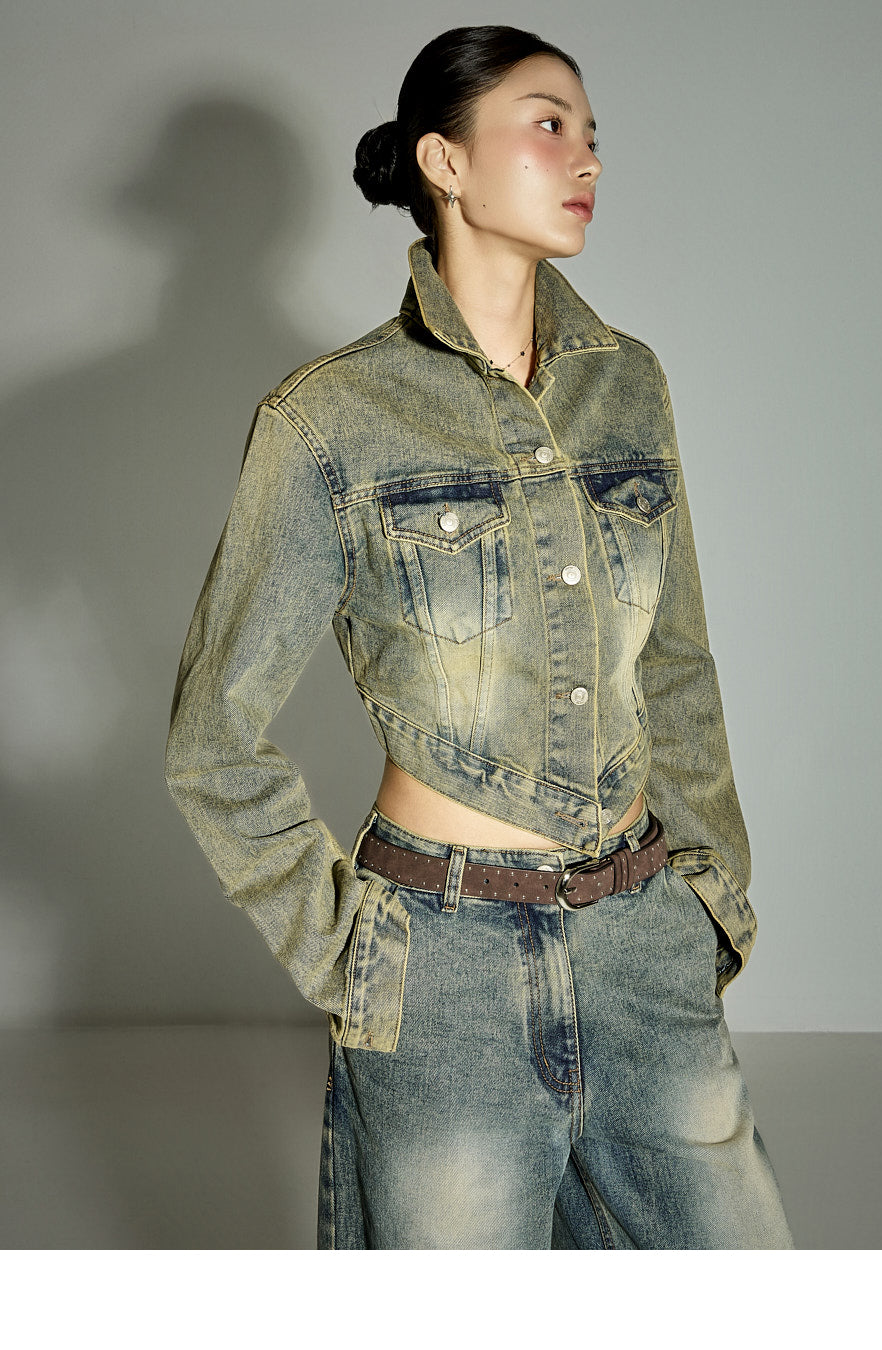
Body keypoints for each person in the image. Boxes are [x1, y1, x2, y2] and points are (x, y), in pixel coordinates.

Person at [165, 23, 794, 1250]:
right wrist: (348, 955)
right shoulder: (328, 418)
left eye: (592, 135)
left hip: (642, 940)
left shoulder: (629, 383)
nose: (587, 158)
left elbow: (674, 663)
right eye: (548, 124)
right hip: (438, 968)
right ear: (443, 162)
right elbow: (212, 738)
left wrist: (705, 896)